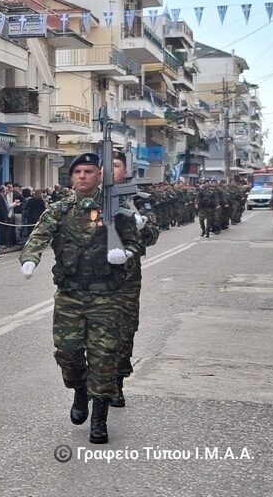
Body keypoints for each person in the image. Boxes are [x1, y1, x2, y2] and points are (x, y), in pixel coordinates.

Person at [19, 152, 140, 444]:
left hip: (106, 296)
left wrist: (124, 254)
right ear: (71, 177)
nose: (82, 176)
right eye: (78, 172)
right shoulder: (59, 210)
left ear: (99, 175)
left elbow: (136, 245)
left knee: (103, 357)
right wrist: (30, 259)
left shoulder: (116, 210)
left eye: (88, 171)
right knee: (68, 353)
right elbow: (38, 236)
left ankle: (99, 418)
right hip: (70, 295)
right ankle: (79, 389)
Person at [109, 151, 157, 408]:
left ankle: (117, 383)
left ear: (125, 170)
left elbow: (153, 236)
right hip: (94, 278)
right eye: (105, 165)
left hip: (127, 280)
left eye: (115, 165)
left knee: (124, 333)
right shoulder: (87, 198)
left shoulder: (138, 199)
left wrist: (142, 226)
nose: (110, 169)